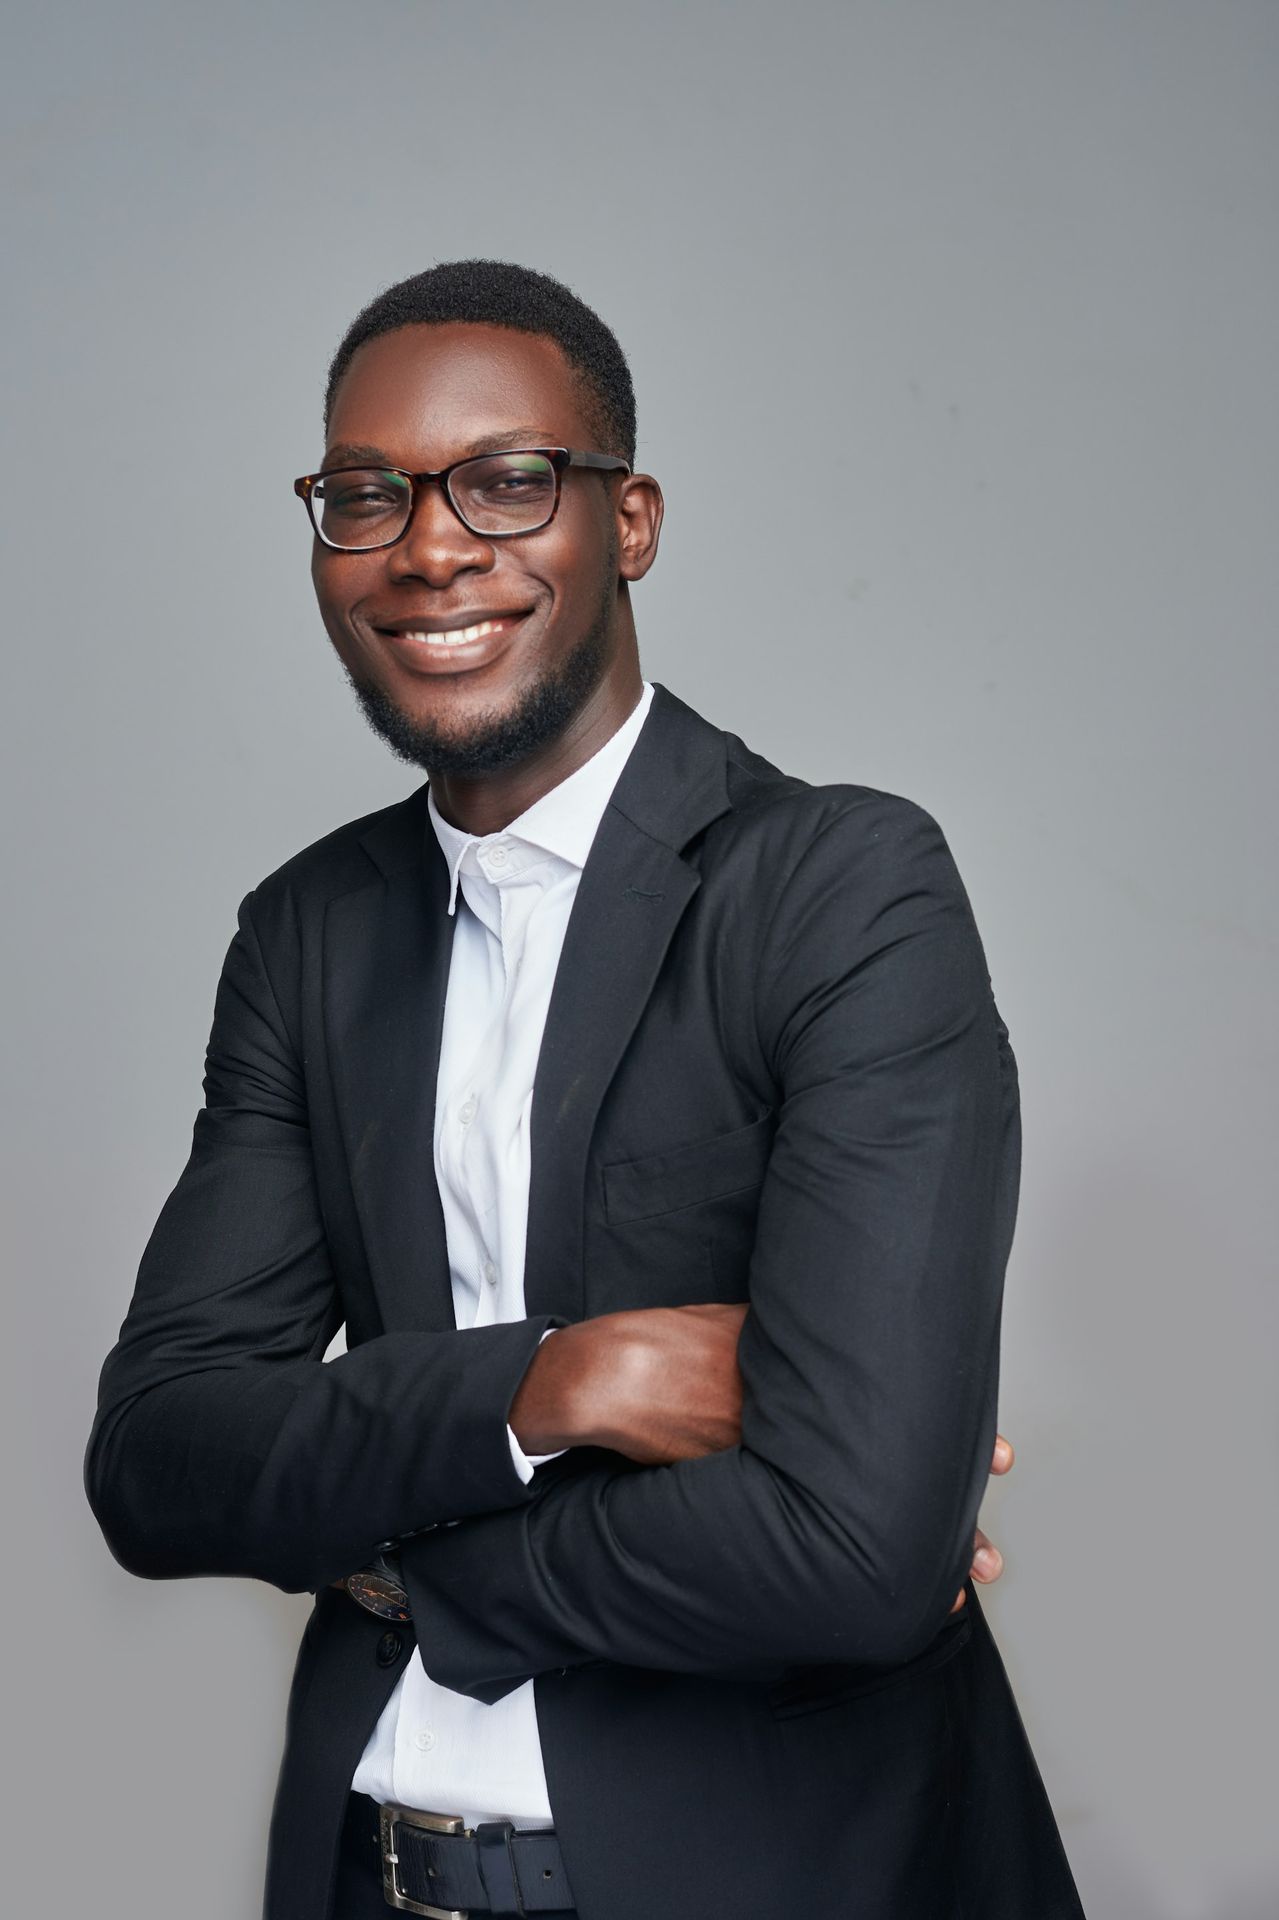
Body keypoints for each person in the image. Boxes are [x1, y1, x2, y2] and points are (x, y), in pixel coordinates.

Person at [86, 260, 1084, 1919]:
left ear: (630, 521)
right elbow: (159, 1460)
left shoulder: (841, 889)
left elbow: (854, 1555)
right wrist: (562, 1382)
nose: (429, 546)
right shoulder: (307, 936)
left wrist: (397, 1558)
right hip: (366, 1877)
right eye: (363, 495)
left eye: (507, 479)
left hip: (770, 1880)